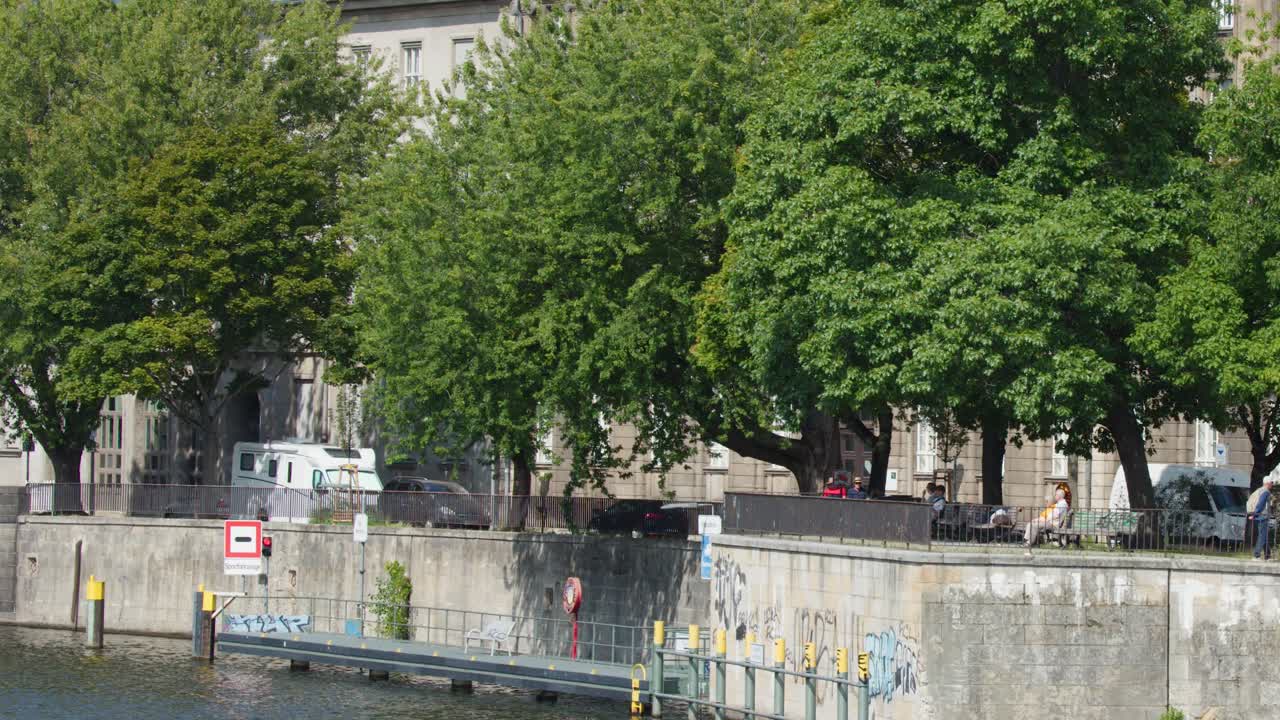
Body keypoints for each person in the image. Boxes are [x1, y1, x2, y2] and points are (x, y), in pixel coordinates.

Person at [1251, 478, 1274, 561]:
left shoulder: (1260, 490)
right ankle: (1256, 555)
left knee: (1265, 536)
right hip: (1263, 516)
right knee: (1262, 536)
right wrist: (1255, 514)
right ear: (1267, 483)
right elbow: (1261, 504)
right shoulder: (1266, 492)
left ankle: (1267, 556)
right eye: (1271, 482)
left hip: (1260, 516)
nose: (1272, 484)